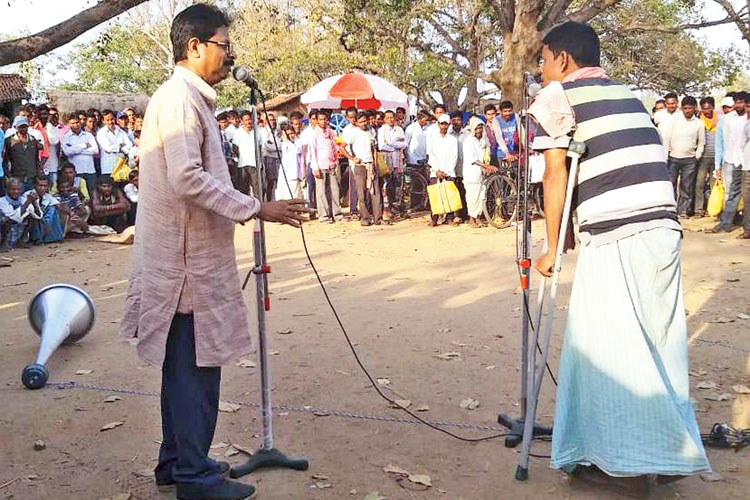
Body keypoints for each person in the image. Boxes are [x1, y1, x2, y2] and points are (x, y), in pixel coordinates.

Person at [120, 5, 308, 500]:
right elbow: (186, 178)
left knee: (182, 368)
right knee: (194, 373)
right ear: (195, 46)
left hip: (184, 260)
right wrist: (255, 207)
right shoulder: (180, 99)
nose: (231, 56)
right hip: (186, 269)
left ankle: (177, 463)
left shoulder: (188, 99)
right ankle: (195, 479)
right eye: (225, 45)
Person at [530, 21, 708, 493]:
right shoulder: (629, 94)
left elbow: (554, 174)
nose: (541, 69)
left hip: (616, 235)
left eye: (543, 60)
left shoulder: (555, 96)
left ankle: (625, 461)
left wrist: (551, 247)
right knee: (659, 345)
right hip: (663, 230)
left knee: (606, 350)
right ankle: (665, 450)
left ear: (563, 60)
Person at [707, 91, 748, 234]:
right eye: (737, 102)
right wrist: (718, 165)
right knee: (731, 193)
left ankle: (746, 226)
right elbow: (721, 143)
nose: (739, 105)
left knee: (747, 194)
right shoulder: (727, 119)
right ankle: (725, 224)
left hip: (747, 160)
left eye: (742, 102)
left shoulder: (748, 118)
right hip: (731, 159)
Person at [663, 96, 705, 217]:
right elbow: (667, 139)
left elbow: (701, 142)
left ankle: (683, 211)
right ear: (682, 108)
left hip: (690, 160)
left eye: (690, 108)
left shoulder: (698, 123)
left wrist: (697, 156)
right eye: (685, 108)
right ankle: (671, 209)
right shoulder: (675, 120)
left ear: (694, 108)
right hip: (673, 158)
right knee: (671, 184)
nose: (688, 111)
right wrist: (666, 155)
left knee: (687, 187)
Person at [342, 111, 381, 226]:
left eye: (365, 121)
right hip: (360, 166)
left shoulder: (371, 131)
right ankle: (365, 217)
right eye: (361, 122)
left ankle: (377, 217)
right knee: (361, 193)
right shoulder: (353, 133)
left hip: (370, 165)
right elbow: (342, 147)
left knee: (375, 192)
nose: (363, 124)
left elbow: (374, 148)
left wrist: (375, 163)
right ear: (357, 122)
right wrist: (352, 158)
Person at [463, 116, 497, 227]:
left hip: (481, 174)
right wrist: (486, 166)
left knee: (481, 197)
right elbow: (472, 159)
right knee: (472, 198)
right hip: (471, 174)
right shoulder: (468, 141)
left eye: (480, 128)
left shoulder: (483, 141)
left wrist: (486, 166)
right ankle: (472, 219)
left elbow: (485, 155)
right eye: (476, 128)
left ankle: (477, 218)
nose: (479, 131)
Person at [427, 114, 460, 226]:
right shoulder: (432, 139)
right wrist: (437, 170)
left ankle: (449, 218)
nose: (444, 126)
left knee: (449, 195)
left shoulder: (453, 140)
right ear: (438, 124)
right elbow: (430, 155)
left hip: (449, 171)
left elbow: (454, 156)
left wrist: (446, 171)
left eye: (446, 124)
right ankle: (434, 218)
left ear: (449, 124)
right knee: (435, 196)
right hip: (435, 171)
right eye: (442, 124)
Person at [310, 110, 342, 223]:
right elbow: (312, 152)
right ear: (317, 121)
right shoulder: (314, 134)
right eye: (321, 119)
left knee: (335, 190)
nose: (323, 121)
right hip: (320, 165)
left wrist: (337, 155)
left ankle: (337, 214)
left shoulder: (332, 132)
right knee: (321, 192)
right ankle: (324, 216)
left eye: (325, 119)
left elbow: (336, 146)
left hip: (332, 164)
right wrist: (315, 167)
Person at [377, 110, 406, 219]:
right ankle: (388, 209)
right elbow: (382, 146)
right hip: (387, 161)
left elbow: (404, 144)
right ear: (384, 119)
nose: (390, 120)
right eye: (388, 118)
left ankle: (398, 208)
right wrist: (395, 144)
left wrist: (391, 143)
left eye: (392, 117)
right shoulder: (381, 130)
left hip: (397, 160)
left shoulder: (399, 129)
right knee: (388, 185)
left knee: (399, 185)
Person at [3, 116, 42, 191]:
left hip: (32, 178)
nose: (23, 129)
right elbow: (5, 161)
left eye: (25, 126)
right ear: (16, 127)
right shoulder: (9, 141)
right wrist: (8, 176)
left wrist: (38, 174)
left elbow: (36, 158)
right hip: (17, 178)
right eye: (21, 127)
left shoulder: (33, 140)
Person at [62, 113, 99, 188]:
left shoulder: (88, 135)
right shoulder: (66, 137)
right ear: (68, 124)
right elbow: (67, 152)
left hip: (89, 170)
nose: (76, 125)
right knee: (77, 194)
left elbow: (95, 150)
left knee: (92, 193)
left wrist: (75, 149)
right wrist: (85, 145)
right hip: (75, 172)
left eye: (77, 122)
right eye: (73, 123)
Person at [694, 97, 717, 216]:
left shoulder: (720, 120)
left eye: (708, 108)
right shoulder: (698, 120)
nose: (706, 111)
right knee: (699, 184)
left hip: (716, 157)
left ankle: (713, 210)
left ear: (713, 107)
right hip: (703, 157)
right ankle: (698, 209)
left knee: (714, 185)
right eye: (704, 109)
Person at [0, 178, 35, 250]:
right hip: (4, 231)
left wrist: (34, 202)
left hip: (17, 230)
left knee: (31, 216)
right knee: (5, 219)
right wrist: (27, 202)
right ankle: (3, 244)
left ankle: (21, 241)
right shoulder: (2, 201)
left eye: (18, 189)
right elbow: (14, 217)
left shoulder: (23, 199)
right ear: (7, 189)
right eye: (13, 189)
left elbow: (38, 216)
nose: (16, 191)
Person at [97, 109, 133, 179]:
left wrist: (119, 147)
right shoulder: (101, 133)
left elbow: (130, 145)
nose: (110, 122)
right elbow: (108, 148)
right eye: (107, 120)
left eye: (112, 119)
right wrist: (121, 146)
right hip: (108, 168)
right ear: (103, 121)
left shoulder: (120, 130)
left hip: (122, 167)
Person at [26, 177, 63, 244]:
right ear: (34, 185)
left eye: (45, 186)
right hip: (31, 222)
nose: (42, 188)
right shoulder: (28, 195)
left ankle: (53, 237)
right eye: (40, 185)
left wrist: (72, 214)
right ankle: (36, 239)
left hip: (42, 221)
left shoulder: (47, 196)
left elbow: (59, 205)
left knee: (53, 209)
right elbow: (34, 214)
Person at [231, 110, 257, 196]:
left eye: (250, 119)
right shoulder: (238, 133)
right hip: (242, 165)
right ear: (242, 121)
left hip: (255, 164)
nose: (248, 122)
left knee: (257, 189)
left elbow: (260, 148)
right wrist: (241, 157)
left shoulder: (257, 132)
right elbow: (234, 148)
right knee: (243, 190)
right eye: (246, 120)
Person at [275, 123, 304, 200]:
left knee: (296, 193)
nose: (290, 135)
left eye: (291, 133)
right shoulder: (285, 144)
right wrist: (286, 139)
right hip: (286, 171)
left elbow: (298, 151)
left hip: (295, 171)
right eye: (288, 134)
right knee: (287, 193)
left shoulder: (298, 142)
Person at [259, 112, 281, 201]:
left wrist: (276, 146)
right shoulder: (263, 132)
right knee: (270, 182)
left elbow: (280, 144)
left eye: (273, 120)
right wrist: (278, 147)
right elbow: (267, 146)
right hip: (268, 158)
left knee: (278, 181)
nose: (273, 122)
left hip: (277, 158)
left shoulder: (277, 131)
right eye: (270, 120)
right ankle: (268, 201)